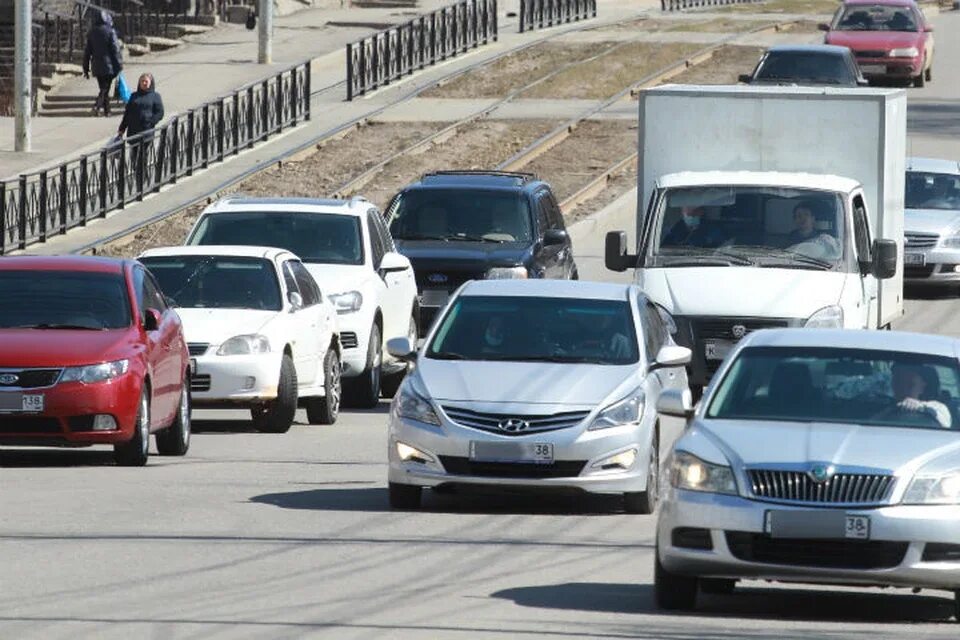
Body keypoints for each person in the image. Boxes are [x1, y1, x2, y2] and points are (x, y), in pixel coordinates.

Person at [874, 363, 951, 428]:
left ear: (923, 386)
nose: (902, 387)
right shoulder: (886, 408)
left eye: (910, 384)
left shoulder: (938, 407)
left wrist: (919, 407)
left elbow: (944, 422)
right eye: (898, 381)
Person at [82, 10, 122, 117]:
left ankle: (107, 111)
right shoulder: (110, 31)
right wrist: (119, 65)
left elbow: (87, 52)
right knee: (105, 88)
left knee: (104, 88)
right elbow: (115, 50)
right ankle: (97, 105)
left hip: (96, 65)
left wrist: (85, 68)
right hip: (109, 65)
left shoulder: (91, 33)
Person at [118, 73, 165, 139]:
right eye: (142, 81)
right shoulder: (134, 95)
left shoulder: (155, 96)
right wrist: (122, 129)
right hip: (133, 131)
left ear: (150, 83)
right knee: (134, 148)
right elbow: (127, 113)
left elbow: (160, 112)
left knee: (144, 148)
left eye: (146, 81)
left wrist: (151, 122)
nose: (144, 83)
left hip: (146, 131)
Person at [660, 206, 726, 248]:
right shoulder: (674, 229)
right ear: (682, 212)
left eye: (695, 212)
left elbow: (721, 248)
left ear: (702, 211)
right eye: (687, 212)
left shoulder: (712, 229)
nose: (690, 215)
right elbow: (663, 248)